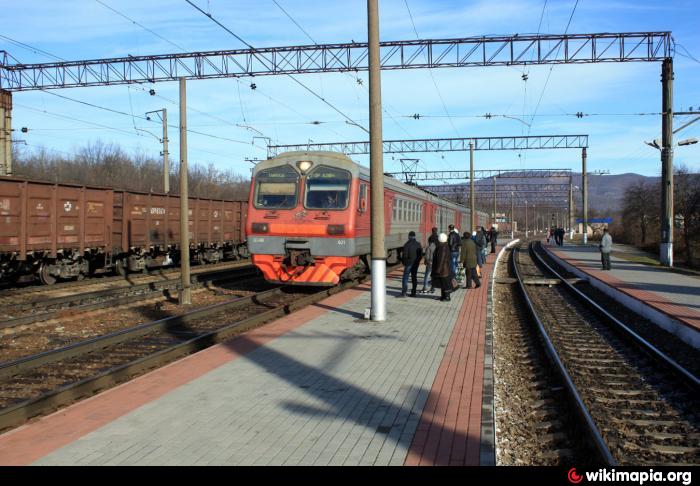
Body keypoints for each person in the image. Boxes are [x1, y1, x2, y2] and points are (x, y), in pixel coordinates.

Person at [400, 231, 423, 297]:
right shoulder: (418, 244)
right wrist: (417, 262)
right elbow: (420, 255)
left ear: (409, 237)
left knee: (405, 278)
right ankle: (413, 293)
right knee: (414, 277)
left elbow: (404, 256)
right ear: (415, 236)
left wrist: (404, 263)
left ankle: (404, 292)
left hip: (408, 264)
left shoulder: (406, 245)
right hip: (415, 264)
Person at [432, 233, 452, 301]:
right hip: (444, 269)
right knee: (443, 284)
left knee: (445, 284)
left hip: (443, 270)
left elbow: (441, 260)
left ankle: (447, 297)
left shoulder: (442, 247)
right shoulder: (444, 246)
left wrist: (438, 270)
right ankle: (443, 296)